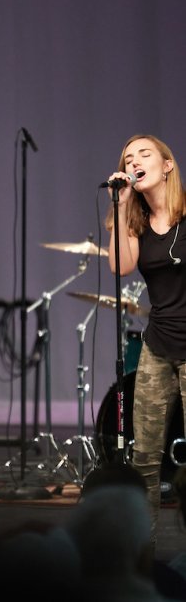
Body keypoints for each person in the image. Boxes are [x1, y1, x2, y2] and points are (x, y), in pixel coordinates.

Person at [104, 134, 186, 548]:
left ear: (167, 165)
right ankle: (141, 557)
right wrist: (119, 205)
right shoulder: (134, 220)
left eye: (144, 154)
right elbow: (120, 264)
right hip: (158, 345)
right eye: (128, 158)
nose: (134, 161)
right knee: (145, 460)